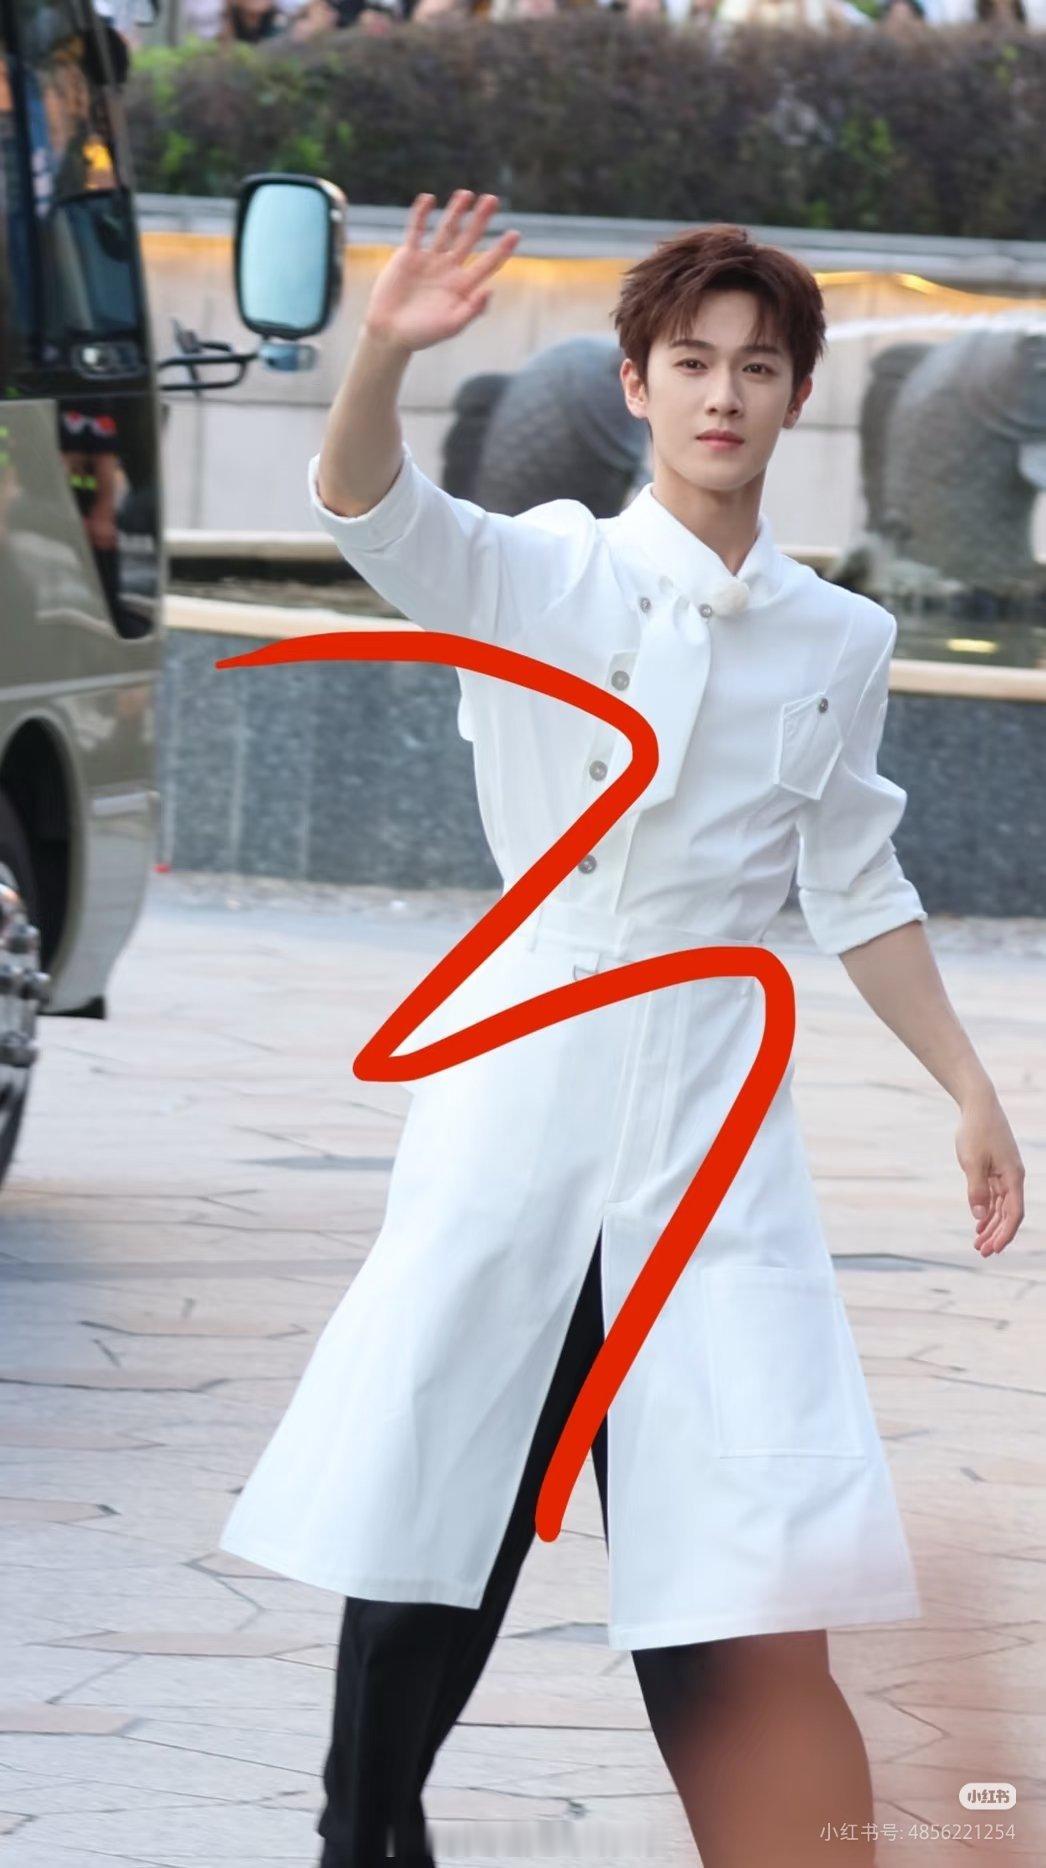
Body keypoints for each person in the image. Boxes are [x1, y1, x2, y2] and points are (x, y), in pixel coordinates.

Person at [219, 192, 1026, 1867]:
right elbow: (368, 503)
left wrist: (967, 1084)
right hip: (523, 1097)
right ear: (634, 384)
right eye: (691, 362)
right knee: (444, 1506)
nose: (723, 393)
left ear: (796, 394)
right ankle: (363, 1835)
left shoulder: (840, 635)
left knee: (742, 1543)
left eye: (756, 365)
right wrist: (383, 348)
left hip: (715, 1134)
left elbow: (854, 880)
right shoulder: (540, 571)